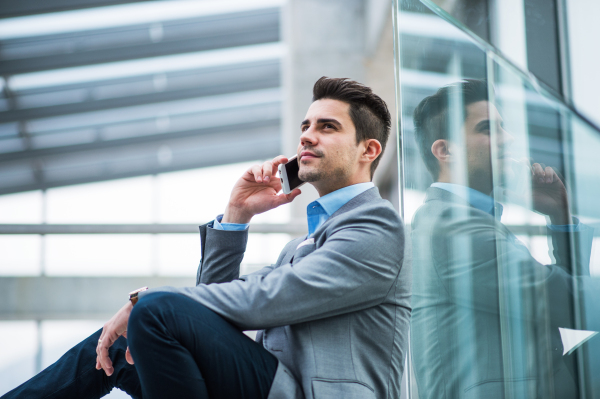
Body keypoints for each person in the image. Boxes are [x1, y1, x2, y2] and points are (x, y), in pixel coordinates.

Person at [3, 77, 411, 399]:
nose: (306, 135)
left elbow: (270, 298)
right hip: (273, 386)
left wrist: (156, 300)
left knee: (157, 309)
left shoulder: (376, 226)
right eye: (305, 125)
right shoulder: (299, 246)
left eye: (327, 127)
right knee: (120, 342)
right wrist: (236, 216)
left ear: (368, 149)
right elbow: (210, 309)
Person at [410, 79, 599, 398]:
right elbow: (567, 302)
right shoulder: (449, 225)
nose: (507, 139)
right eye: (487, 129)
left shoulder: (468, 220)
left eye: (503, 127)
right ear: (445, 150)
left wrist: (560, 218)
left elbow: (574, 309)